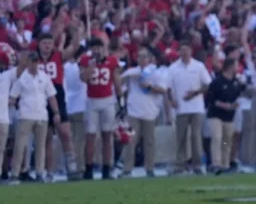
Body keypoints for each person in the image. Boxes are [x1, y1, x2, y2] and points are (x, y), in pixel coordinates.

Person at [35, 31, 81, 180]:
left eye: (49, 43)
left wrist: (76, 30)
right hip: (41, 97)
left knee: (65, 133)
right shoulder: (34, 59)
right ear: (39, 45)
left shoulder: (58, 56)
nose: (47, 46)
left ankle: (71, 167)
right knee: (47, 137)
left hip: (57, 95)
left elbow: (74, 47)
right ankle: (49, 171)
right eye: (44, 43)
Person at [10, 51, 61, 183]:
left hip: (42, 115)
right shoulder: (22, 79)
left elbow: (51, 97)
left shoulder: (44, 77)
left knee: (40, 145)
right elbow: (13, 97)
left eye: (35, 62)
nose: (34, 65)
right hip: (25, 114)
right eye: (31, 62)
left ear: (38, 63)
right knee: (20, 145)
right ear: (28, 63)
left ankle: (39, 172)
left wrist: (56, 112)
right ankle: (15, 173)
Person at [78, 38, 122, 180]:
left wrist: (121, 100)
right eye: (94, 48)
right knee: (90, 136)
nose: (97, 50)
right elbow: (84, 78)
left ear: (104, 48)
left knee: (107, 136)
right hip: (92, 101)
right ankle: (89, 168)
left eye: (99, 47)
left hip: (108, 100)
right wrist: (92, 65)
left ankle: (106, 168)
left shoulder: (112, 61)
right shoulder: (86, 60)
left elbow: (116, 80)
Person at [120, 48, 167, 177]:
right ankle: (127, 168)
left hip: (149, 112)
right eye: (140, 57)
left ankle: (149, 168)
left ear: (150, 58)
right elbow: (119, 84)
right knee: (131, 141)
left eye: (145, 57)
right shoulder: (131, 72)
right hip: (133, 111)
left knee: (149, 141)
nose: (142, 59)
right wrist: (128, 77)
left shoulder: (155, 73)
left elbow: (163, 90)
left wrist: (150, 87)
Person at [167, 42, 212, 174]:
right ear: (179, 52)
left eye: (187, 50)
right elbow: (168, 88)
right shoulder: (173, 68)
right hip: (181, 108)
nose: (185, 53)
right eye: (182, 50)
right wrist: (171, 101)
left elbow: (207, 84)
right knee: (181, 137)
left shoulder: (198, 66)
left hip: (197, 107)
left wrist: (195, 93)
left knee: (195, 136)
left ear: (191, 51)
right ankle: (180, 164)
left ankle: (197, 164)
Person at [207, 59, 247, 174]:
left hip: (229, 115)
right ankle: (216, 163)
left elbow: (240, 94)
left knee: (227, 140)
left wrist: (235, 104)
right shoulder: (217, 82)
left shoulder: (235, 82)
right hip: (215, 114)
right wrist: (222, 104)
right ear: (229, 67)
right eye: (235, 65)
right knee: (217, 137)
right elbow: (210, 98)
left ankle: (225, 164)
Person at [0, 49, 18, 184]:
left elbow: (21, 68)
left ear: (0, 65)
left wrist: (13, 55)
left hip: (3, 119)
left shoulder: (6, 76)